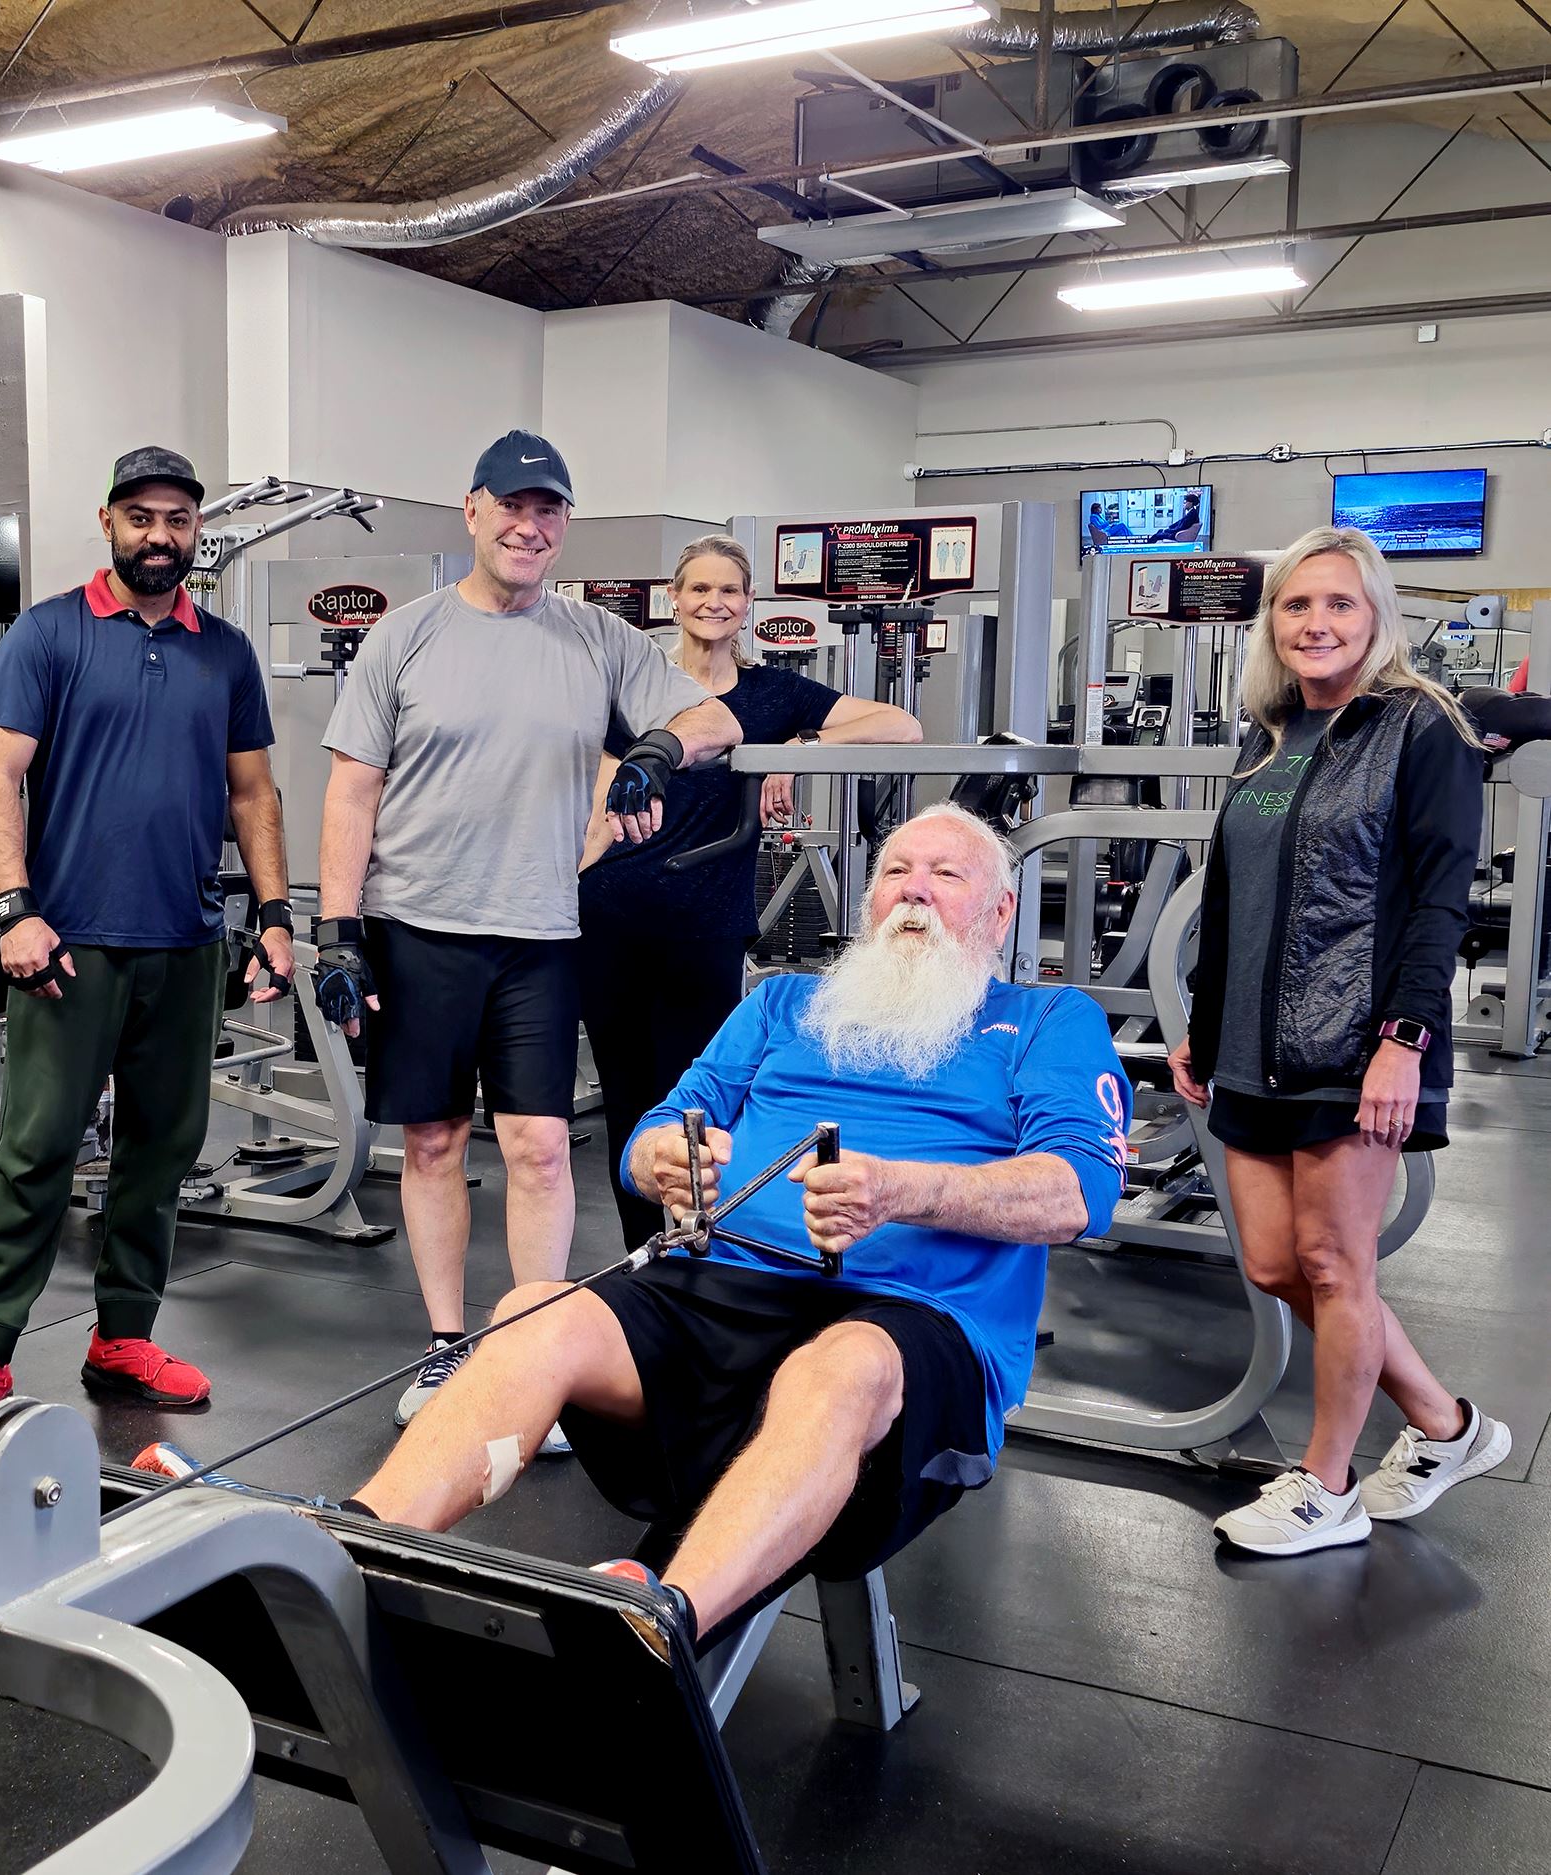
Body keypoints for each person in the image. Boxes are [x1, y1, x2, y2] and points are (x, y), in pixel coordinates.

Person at [331, 807, 1129, 1642]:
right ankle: (347, 1550)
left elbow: (1077, 1193)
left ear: (1001, 913)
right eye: (896, 872)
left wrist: (900, 1191)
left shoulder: (1048, 1020)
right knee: (534, 1313)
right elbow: (663, 1122)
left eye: (946, 875)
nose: (914, 893)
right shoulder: (787, 1003)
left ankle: (659, 1629)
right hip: (723, 1289)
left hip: (911, 1327)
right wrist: (660, 1160)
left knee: (842, 1367)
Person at [312, 430, 745, 1441]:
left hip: (543, 931)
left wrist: (652, 748)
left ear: (563, 528)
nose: (528, 525)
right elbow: (350, 789)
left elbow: (714, 718)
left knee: (542, 1147)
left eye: (547, 511)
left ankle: (530, 1348)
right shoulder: (405, 636)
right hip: (417, 923)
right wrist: (335, 928)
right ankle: (446, 1345)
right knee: (432, 1142)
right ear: (472, 513)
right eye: (512, 506)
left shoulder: (597, 640)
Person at [0, 447, 296, 1450]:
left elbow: (253, 793)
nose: (159, 535)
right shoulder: (49, 635)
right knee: (35, 1151)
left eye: (176, 518)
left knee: (160, 1156)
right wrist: (13, 908)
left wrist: (275, 915)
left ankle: (123, 1337)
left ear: (195, 530)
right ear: (108, 521)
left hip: (183, 942)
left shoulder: (224, 651)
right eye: (140, 517)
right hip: (69, 942)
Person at [1167, 525, 1508, 1554]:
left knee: (1332, 1260)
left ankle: (1325, 1486)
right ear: (1273, 623)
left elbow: (1439, 903)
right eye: (1295, 606)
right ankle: (1446, 1426)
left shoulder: (1421, 728)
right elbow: (1228, 899)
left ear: (1375, 617)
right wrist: (1197, 1025)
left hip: (1354, 1044)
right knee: (1275, 1263)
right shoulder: (1265, 737)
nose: (1315, 624)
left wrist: (1403, 1038)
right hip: (1245, 1044)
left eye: (1338, 604)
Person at [578, 533, 920, 1248]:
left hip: (705, 926)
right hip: (611, 917)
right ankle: (642, 1251)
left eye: (728, 590)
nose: (713, 602)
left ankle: (701, 1242)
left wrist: (792, 751)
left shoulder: (774, 694)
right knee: (628, 1099)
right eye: (699, 589)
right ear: (674, 599)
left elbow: (903, 723)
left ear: (747, 604)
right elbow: (601, 809)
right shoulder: (638, 690)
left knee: (702, 1100)